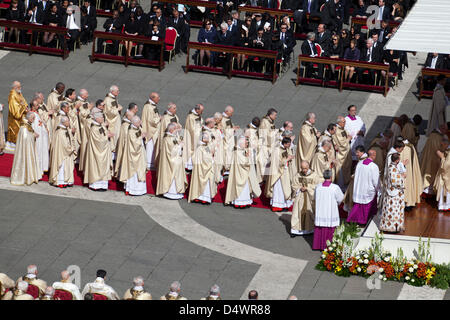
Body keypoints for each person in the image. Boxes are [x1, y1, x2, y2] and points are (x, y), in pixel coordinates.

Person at [225, 136, 261, 208]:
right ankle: (239, 202)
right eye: (246, 143)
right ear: (241, 143)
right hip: (240, 174)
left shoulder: (243, 150)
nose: (247, 144)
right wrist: (248, 157)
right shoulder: (238, 152)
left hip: (244, 173)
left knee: (246, 188)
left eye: (247, 143)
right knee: (241, 189)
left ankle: (246, 201)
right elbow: (244, 163)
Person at [312, 169, 344, 250]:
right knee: (330, 228)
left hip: (320, 211)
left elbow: (315, 198)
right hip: (330, 211)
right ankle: (329, 246)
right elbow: (340, 198)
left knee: (320, 227)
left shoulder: (318, 187)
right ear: (331, 176)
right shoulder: (335, 188)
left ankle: (318, 245)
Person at [347, 149, 380, 225]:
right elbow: (376, 181)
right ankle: (364, 221)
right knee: (366, 207)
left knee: (358, 206)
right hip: (368, 189)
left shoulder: (359, 163)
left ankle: (353, 220)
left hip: (359, 188)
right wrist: (378, 188)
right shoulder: (374, 166)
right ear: (373, 156)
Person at [156, 122, 187, 200]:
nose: (177, 130)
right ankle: (170, 192)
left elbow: (177, 142)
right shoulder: (167, 139)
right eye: (175, 129)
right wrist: (180, 146)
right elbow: (171, 151)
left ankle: (176, 192)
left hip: (176, 161)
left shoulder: (172, 136)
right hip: (170, 162)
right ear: (172, 130)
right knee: (172, 175)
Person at [83, 112, 114, 191]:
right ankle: (95, 185)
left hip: (103, 151)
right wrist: (107, 136)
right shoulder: (94, 128)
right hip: (96, 151)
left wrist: (107, 133)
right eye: (101, 118)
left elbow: (103, 134)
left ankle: (103, 185)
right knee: (97, 166)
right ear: (96, 119)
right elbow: (97, 141)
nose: (103, 119)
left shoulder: (100, 126)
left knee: (103, 166)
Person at [10, 112, 43, 186]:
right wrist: (33, 135)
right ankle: (25, 177)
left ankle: (30, 176)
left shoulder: (27, 124)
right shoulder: (24, 127)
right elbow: (25, 139)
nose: (34, 120)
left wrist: (33, 134)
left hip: (29, 148)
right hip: (26, 149)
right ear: (28, 118)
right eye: (32, 118)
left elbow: (30, 133)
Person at [119, 116, 148, 196]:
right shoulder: (131, 131)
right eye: (139, 122)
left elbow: (140, 135)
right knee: (134, 173)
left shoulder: (137, 128)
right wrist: (141, 137)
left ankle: (140, 190)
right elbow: (134, 144)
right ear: (134, 123)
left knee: (140, 170)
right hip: (133, 156)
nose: (140, 122)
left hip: (139, 154)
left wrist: (143, 136)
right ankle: (133, 190)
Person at [291, 160, 320, 237]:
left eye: (305, 168)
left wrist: (307, 188)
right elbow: (294, 185)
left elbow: (317, 186)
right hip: (300, 197)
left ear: (308, 167)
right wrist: (299, 188)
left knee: (309, 212)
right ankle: (296, 230)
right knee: (297, 212)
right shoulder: (298, 175)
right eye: (302, 168)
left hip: (309, 198)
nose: (304, 170)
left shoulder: (314, 175)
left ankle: (309, 230)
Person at [265, 137, 295, 212]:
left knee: (285, 189)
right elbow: (277, 163)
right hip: (278, 175)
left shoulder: (285, 148)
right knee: (279, 190)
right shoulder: (277, 150)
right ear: (284, 144)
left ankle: (284, 205)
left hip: (284, 172)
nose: (289, 146)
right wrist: (287, 159)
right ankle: (277, 206)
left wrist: (290, 158)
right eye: (288, 144)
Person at [188, 132, 218, 204]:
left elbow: (208, 154)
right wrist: (212, 160)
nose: (209, 139)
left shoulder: (205, 146)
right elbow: (207, 158)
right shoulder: (201, 147)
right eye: (207, 138)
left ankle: (199, 197)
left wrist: (211, 155)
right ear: (204, 139)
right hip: (203, 168)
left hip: (201, 169)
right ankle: (202, 198)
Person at [379, 153, 406, 233]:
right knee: (394, 210)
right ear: (397, 160)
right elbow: (395, 182)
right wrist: (403, 177)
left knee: (395, 210)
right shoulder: (392, 168)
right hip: (393, 195)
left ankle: (396, 226)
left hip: (393, 193)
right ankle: (392, 227)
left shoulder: (391, 166)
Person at [420, 124, 448, 196]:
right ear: (442, 129)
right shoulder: (437, 137)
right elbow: (437, 149)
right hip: (434, 158)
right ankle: (428, 192)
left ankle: (426, 191)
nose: (446, 132)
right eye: (445, 130)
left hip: (428, 156)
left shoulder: (433, 134)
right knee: (431, 174)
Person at [48, 116, 76, 188]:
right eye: (67, 121)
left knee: (67, 166)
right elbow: (64, 145)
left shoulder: (65, 129)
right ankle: (60, 182)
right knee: (61, 167)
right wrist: (71, 148)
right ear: (63, 122)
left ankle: (67, 181)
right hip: (61, 153)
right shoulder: (60, 132)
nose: (69, 123)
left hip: (66, 153)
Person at [29, 98, 49, 175]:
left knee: (41, 153)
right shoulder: (31, 115)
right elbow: (32, 126)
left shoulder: (36, 113)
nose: (38, 106)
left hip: (41, 138)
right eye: (37, 105)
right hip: (37, 139)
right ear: (33, 107)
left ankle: (40, 169)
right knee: (37, 154)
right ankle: (36, 172)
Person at [6, 81, 28, 151]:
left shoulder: (18, 93)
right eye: (18, 87)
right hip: (14, 119)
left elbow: (24, 102)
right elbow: (15, 111)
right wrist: (23, 107)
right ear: (14, 87)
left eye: (20, 86)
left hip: (21, 117)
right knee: (15, 131)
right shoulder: (12, 95)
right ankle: (13, 144)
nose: (20, 88)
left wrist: (24, 106)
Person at [141, 92, 161, 170]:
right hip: (151, 131)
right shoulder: (149, 107)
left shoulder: (152, 105)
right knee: (151, 147)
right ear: (153, 98)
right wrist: (159, 118)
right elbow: (151, 121)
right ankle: (150, 164)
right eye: (157, 97)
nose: (159, 99)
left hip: (154, 129)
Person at [183, 104, 204, 171]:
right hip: (191, 137)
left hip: (197, 135)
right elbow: (191, 129)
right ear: (197, 110)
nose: (202, 112)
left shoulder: (197, 116)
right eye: (201, 111)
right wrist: (200, 132)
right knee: (191, 149)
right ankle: (189, 166)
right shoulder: (191, 117)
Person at [114, 109, 134, 178]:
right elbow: (127, 137)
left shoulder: (128, 124)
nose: (133, 117)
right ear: (128, 117)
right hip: (125, 146)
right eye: (132, 116)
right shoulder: (125, 126)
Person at [103, 85, 123, 157]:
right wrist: (118, 109)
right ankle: (112, 155)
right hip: (112, 121)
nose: (118, 92)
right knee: (114, 137)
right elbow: (108, 111)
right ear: (112, 91)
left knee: (117, 135)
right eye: (117, 91)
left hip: (116, 120)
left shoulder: (113, 98)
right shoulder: (108, 99)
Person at [333, 116, 352, 187]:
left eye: (345, 121)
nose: (345, 123)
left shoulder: (342, 129)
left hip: (346, 152)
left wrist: (349, 136)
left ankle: (346, 181)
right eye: (344, 122)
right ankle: (342, 184)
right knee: (342, 168)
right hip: (341, 154)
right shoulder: (337, 130)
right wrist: (348, 139)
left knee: (347, 166)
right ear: (339, 122)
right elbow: (341, 143)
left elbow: (346, 135)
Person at [221, 105, 239, 175]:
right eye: (231, 112)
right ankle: (226, 168)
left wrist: (233, 127)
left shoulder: (227, 118)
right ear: (226, 111)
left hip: (230, 139)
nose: (232, 114)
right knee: (227, 154)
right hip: (226, 141)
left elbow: (229, 127)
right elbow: (224, 131)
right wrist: (232, 130)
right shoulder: (222, 119)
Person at [434, 137, 450, 211]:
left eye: (442, 145)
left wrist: (442, 157)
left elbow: (447, 165)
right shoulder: (447, 150)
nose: (441, 147)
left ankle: (445, 206)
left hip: (447, 175)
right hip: (446, 173)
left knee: (445, 189)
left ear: (445, 144)